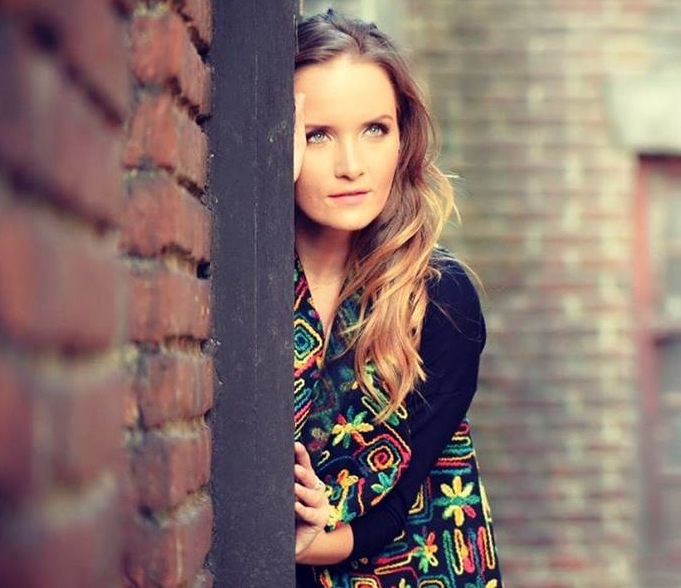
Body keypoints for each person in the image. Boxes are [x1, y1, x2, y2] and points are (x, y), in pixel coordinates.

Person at [290, 10, 502, 588]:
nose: (351, 166)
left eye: (374, 130)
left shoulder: (441, 299)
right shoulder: (239, 281)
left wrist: (311, 541)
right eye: (317, 135)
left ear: (403, 139)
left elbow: (400, 503)